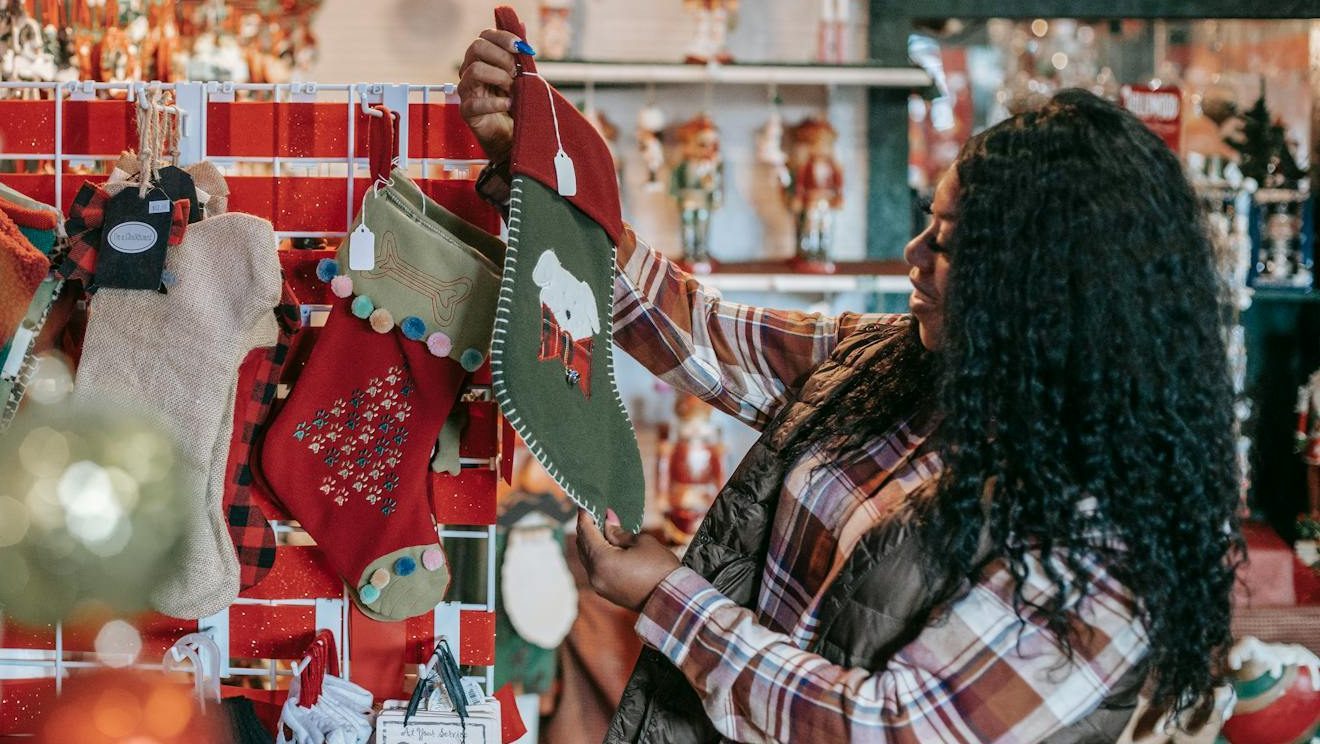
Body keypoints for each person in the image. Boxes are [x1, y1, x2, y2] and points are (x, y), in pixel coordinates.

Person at [459, 28, 1242, 743]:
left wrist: (667, 597)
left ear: (1053, 286)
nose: (913, 253)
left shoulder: (1101, 555)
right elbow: (700, 332)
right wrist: (539, 165)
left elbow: (887, 729)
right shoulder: (901, 368)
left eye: (950, 244)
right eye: (927, 223)